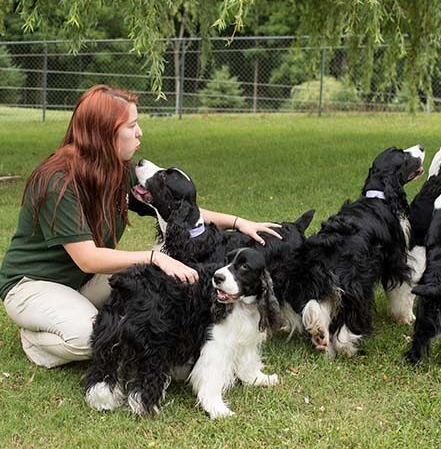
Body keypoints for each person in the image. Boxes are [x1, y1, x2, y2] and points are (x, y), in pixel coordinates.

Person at [0, 84, 282, 367]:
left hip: (84, 282)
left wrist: (238, 222)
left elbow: (174, 208)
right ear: (105, 132)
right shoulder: (59, 182)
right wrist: (154, 257)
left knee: (152, 297)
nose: (139, 132)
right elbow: (87, 258)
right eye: (132, 125)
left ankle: (70, 314)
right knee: (95, 335)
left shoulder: (115, 169)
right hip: (34, 284)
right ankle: (35, 341)